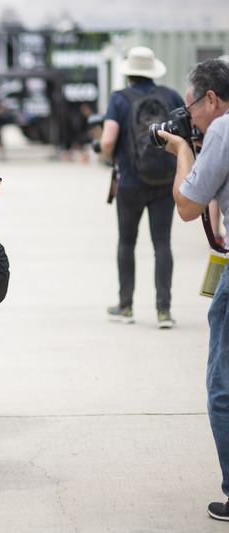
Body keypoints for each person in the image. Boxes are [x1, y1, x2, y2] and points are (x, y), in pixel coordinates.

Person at [158, 58, 229, 522]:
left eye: (190, 107)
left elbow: (187, 205)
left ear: (210, 98)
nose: (190, 116)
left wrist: (184, 147)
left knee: (222, 387)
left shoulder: (222, 130)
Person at [99, 46, 185, 328]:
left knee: (127, 242)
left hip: (131, 183)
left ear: (129, 74)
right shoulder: (170, 95)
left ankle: (125, 306)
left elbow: (108, 141)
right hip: (165, 182)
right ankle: (164, 311)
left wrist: (109, 157)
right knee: (162, 243)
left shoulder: (119, 99)